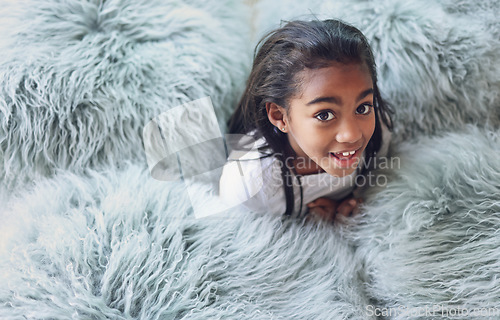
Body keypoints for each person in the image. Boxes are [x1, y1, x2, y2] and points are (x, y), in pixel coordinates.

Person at [219, 19, 393, 223]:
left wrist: (347, 204)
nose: (352, 135)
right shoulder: (246, 181)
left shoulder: (378, 133)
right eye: (324, 115)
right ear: (280, 116)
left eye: (362, 108)